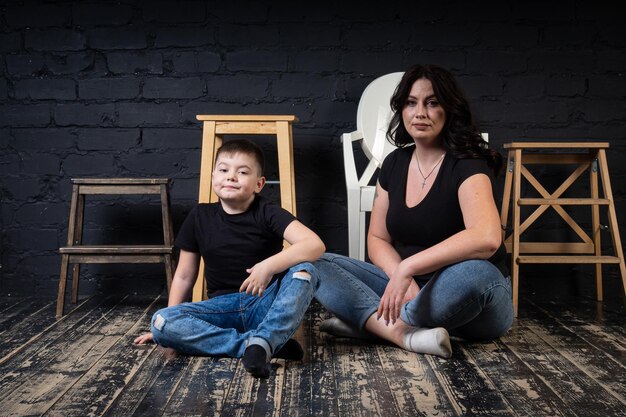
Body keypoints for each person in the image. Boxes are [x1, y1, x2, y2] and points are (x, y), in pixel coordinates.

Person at [314, 64, 514, 358]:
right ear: (402, 110)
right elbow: (378, 238)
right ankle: (403, 333)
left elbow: (487, 237)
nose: (420, 112)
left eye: (432, 103)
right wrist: (397, 275)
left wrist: (408, 268)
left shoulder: (467, 163)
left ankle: (369, 324)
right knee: (315, 262)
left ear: (449, 110)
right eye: (411, 103)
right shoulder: (394, 163)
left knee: (477, 275)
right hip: (411, 289)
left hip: (467, 296)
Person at [134, 139, 325, 378]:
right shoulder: (199, 216)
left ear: (259, 184)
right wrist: (168, 329)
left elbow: (314, 244)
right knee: (161, 320)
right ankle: (257, 345)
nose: (231, 177)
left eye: (242, 172)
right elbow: (184, 276)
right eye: (223, 170)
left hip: (263, 303)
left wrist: (268, 266)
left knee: (305, 270)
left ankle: (265, 339)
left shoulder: (268, 212)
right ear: (213, 176)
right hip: (221, 311)